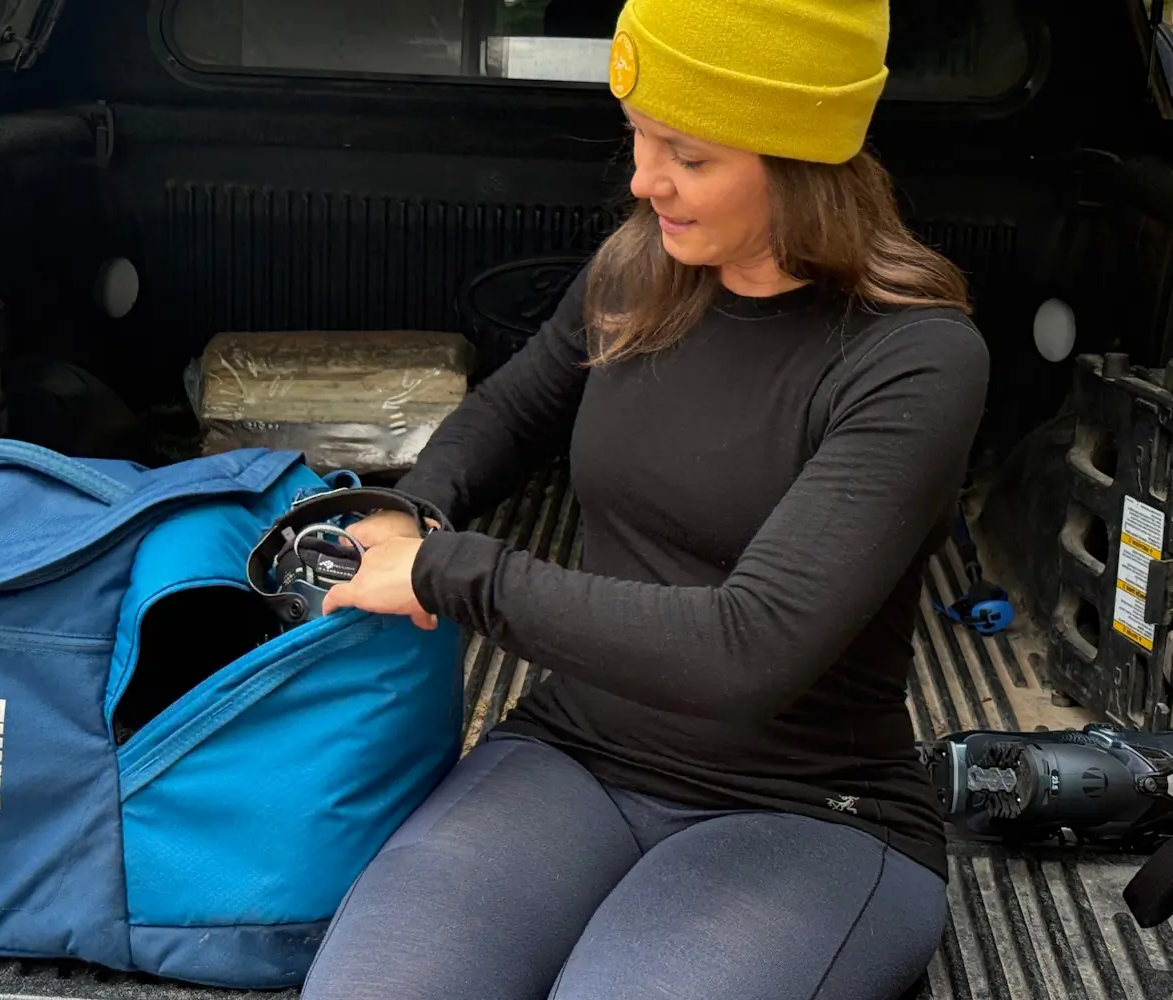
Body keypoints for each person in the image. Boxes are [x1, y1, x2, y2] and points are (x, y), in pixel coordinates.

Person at [305, 0, 988, 997]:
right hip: (578, 754)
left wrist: (451, 570)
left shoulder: (915, 359)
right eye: (637, 135)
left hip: (804, 809)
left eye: (688, 154)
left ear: (799, 157)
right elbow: (510, 410)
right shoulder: (642, 269)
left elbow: (748, 647)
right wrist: (421, 509)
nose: (641, 178)